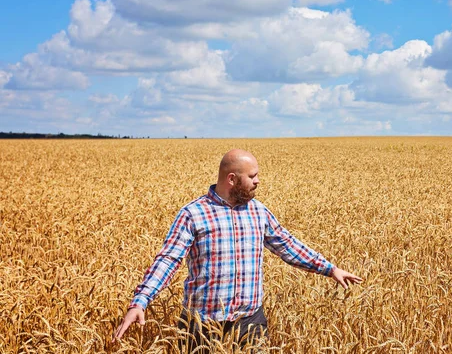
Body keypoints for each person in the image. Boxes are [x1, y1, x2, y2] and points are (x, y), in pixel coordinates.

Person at [113, 149, 362, 351]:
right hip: (202, 327)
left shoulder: (258, 211)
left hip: (250, 323)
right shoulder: (193, 214)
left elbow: (287, 245)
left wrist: (330, 269)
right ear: (232, 179)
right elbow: (168, 259)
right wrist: (140, 301)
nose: (258, 181)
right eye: (252, 176)